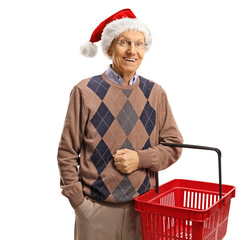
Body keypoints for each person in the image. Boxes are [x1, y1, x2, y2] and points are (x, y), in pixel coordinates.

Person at [57, 8, 183, 240]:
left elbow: (174, 146)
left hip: (145, 212)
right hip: (95, 212)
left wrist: (141, 159)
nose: (132, 51)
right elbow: (66, 153)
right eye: (124, 42)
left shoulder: (155, 93)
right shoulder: (85, 91)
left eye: (139, 44)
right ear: (109, 47)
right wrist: (80, 204)